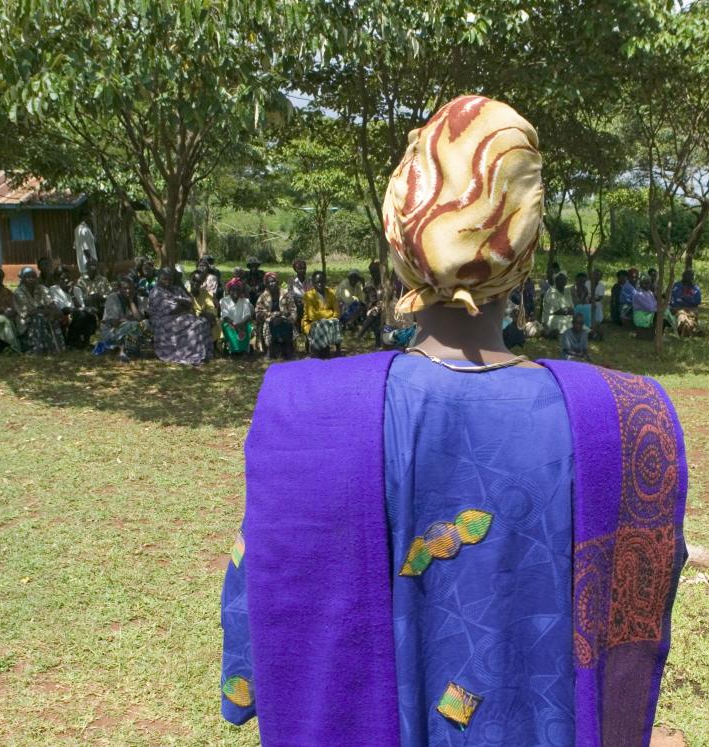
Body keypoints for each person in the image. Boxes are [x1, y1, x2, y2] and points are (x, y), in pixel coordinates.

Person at [222, 95, 685, 745]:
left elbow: (260, 610)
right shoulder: (628, 419)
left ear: (397, 236)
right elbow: (637, 611)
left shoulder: (306, 412)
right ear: (524, 250)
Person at [149, 266, 213, 366]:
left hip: (180, 317)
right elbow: (172, 309)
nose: (167, 281)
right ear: (158, 278)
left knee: (203, 321)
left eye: (170, 279)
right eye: (164, 279)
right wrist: (184, 304)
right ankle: (193, 355)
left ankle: (204, 353)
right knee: (195, 324)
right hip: (163, 321)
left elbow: (190, 302)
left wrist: (182, 303)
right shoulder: (156, 292)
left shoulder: (176, 289)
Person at [12, 267, 65, 355]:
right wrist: (47, 311)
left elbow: (51, 304)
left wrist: (55, 312)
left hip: (43, 314)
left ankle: (55, 348)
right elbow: (29, 312)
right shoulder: (19, 292)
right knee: (39, 318)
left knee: (53, 316)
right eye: (28, 277)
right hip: (26, 322)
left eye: (33, 276)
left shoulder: (42, 288)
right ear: (23, 279)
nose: (31, 279)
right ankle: (36, 348)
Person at [96, 278, 151, 361]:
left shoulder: (136, 299)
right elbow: (115, 323)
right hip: (111, 331)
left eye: (130, 288)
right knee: (133, 325)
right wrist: (131, 319)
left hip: (129, 329)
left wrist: (131, 301)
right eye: (124, 288)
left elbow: (140, 319)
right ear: (119, 289)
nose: (128, 291)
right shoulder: (112, 298)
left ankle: (132, 350)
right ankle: (130, 351)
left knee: (146, 323)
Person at [50, 268, 98, 349]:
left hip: (78, 313)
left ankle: (86, 342)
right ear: (58, 280)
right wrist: (79, 310)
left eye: (68, 278)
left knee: (90, 315)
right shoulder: (54, 289)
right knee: (81, 315)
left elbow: (81, 306)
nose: (66, 280)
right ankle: (72, 341)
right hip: (63, 314)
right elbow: (63, 308)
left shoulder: (76, 290)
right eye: (63, 279)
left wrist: (72, 294)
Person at [255, 272, 296, 360]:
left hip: (285, 318)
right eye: (269, 282)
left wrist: (287, 317)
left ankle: (288, 348)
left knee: (286, 323)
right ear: (266, 284)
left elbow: (293, 309)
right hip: (269, 319)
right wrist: (271, 315)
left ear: (277, 282)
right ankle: (270, 350)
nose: (271, 284)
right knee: (271, 323)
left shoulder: (286, 294)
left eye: (273, 281)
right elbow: (258, 312)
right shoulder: (263, 296)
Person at [302, 270, 342, 357]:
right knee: (320, 324)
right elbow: (312, 316)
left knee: (336, 321)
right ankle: (317, 350)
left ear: (325, 281)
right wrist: (330, 312)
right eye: (317, 282)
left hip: (328, 321)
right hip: (311, 323)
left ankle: (338, 350)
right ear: (313, 283)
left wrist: (330, 316)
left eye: (322, 281)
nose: (320, 284)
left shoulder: (331, 293)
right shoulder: (308, 295)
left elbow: (337, 311)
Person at [220, 278, 255, 355]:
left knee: (247, 328)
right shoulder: (224, 301)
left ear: (240, 291)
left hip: (242, 324)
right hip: (229, 323)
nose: (235, 292)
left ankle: (243, 349)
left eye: (237, 290)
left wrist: (240, 324)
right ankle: (233, 350)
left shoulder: (245, 300)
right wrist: (233, 323)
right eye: (232, 290)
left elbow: (248, 315)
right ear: (229, 291)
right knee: (229, 329)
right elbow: (225, 316)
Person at [669, 269, 702, 337]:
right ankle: (691, 328)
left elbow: (697, 301)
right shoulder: (676, 286)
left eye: (692, 276)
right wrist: (687, 300)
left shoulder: (695, 288)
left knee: (691, 315)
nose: (690, 278)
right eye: (688, 275)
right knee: (681, 314)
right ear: (683, 276)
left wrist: (684, 298)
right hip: (677, 308)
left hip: (691, 309)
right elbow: (674, 300)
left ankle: (686, 327)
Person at [540, 272, 573, 337]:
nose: (563, 281)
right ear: (556, 281)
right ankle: (553, 333)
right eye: (561, 279)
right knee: (566, 322)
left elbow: (571, 308)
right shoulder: (551, 292)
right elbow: (557, 311)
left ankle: (589, 333)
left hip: (565, 316)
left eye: (565, 279)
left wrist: (567, 311)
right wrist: (567, 311)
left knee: (576, 321)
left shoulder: (567, 291)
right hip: (551, 317)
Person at [589, 268, 607, 338]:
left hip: (596, 301)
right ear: (592, 275)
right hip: (586, 300)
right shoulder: (587, 283)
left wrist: (593, 300)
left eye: (598, 275)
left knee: (597, 305)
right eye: (595, 275)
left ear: (600, 277)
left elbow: (600, 297)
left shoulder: (601, 285)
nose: (596, 276)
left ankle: (598, 323)